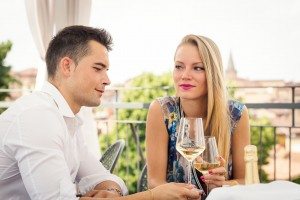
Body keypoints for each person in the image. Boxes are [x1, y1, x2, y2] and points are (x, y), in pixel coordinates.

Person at [0, 26, 201, 200]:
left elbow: (107, 178)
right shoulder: (38, 117)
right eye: (98, 68)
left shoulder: (67, 119)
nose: (107, 79)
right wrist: (151, 196)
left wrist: (110, 192)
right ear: (67, 66)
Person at [146, 34, 250, 193]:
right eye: (179, 66)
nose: (185, 75)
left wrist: (222, 185)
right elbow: (154, 182)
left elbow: (246, 181)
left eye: (198, 68)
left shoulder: (236, 114)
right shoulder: (162, 111)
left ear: (212, 74)